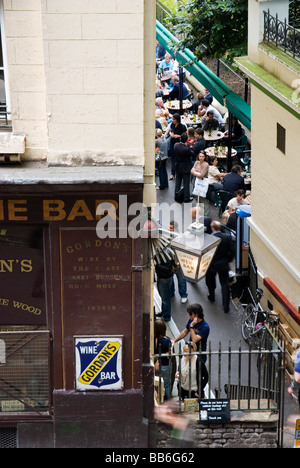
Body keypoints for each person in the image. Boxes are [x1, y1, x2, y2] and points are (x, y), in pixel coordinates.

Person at [172, 303, 210, 398]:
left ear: (196, 315)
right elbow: (185, 331)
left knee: (197, 376)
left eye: (190, 314)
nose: (189, 316)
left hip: (199, 354)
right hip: (189, 352)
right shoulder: (191, 320)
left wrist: (192, 326)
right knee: (187, 371)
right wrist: (175, 340)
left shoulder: (205, 327)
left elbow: (194, 339)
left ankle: (199, 392)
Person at [205, 220, 235, 313]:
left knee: (210, 281)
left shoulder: (209, 238)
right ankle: (226, 306)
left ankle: (212, 296)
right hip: (223, 264)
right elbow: (232, 252)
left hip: (212, 264)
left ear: (212, 228)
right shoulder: (227, 237)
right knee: (224, 284)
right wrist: (227, 260)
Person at [155, 250, 177, 322]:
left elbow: (167, 269)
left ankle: (166, 316)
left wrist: (156, 264)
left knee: (165, 298)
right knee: (164, 298)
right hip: (166, 278)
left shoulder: (163, 254)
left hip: (164, 279)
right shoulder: (168, 252)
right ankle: (164, 313)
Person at [169, 220, 188, 304]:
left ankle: (183, 295)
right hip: (171, 260)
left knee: (181, 279)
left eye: (171, 228)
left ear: (175, 228)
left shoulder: (181, 237)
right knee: (171, 278)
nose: (169, 229)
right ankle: (171, 292)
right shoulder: (169, 235)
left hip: (179, 261)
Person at [154, 318, 173, 400]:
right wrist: (171, 346)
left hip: (157, 364)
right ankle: (166, 401)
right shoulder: (167, 341)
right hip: (165, 365)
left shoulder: (154, 339)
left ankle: (159, 400)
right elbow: (169, 356)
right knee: (166, 385)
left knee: (158, 384)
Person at [165, 113, 187, 180]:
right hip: (172, 143)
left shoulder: (182, 127)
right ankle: (172, 173)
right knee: (173, 158)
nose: (172, 120)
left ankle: (180, 172)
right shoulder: (172, 125)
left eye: (174, 119)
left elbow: (185, 135)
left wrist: (178, 136)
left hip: (179, 144)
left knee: (179, 158)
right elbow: (170, 131)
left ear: (177, 120)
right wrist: (170, 134)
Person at [174, 133, 194, 203]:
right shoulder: (187, 149)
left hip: (178, 166)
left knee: (178, 182)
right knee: (186, 183)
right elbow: (192, 153)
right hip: (185, 167)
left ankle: (176, 195)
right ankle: (186, 198)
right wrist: (190, 146)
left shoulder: (176, 145)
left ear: (180, 139)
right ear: (186, 140)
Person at [190, 151, 210, 216]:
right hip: (197, 182)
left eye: (202, 156)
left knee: (203, 198)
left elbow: (202, 175)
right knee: (197, 197)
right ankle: (199, 212)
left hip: (203, 182)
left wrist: (195, 172)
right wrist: (198, 173)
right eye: (200, 156)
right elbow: (191, 170)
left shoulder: (206, 164)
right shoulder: (196, 162)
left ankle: (206, 214)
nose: (201, 158)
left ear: (205, 157)